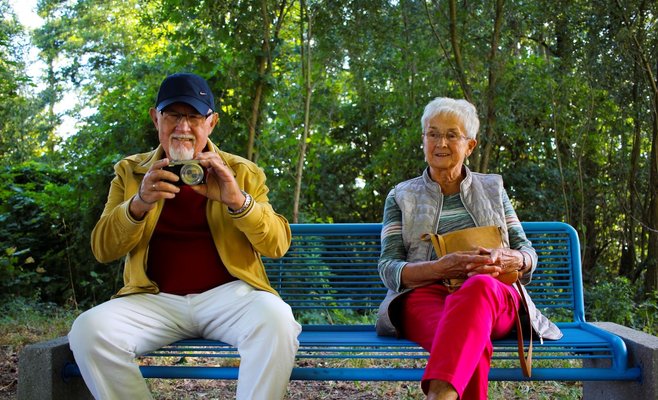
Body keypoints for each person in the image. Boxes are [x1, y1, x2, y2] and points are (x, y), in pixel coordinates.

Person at [68, 72, 301, 400]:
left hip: (230, 298)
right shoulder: (131, 172)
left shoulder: (242, 172)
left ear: (212, 123)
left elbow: (277, 245)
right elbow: (103, 248)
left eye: (193, 116)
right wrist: (138, 203)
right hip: (154, 299)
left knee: (277, 319)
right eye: (173, 115)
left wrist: (238, 201)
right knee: (89, 331)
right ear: (156, 119)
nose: (183, 127)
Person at [375, 97, 562, 400]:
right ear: (423, 139)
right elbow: (388, 267)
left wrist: (513, 257)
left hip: (492, 293)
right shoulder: (401, 196)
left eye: (452, 135)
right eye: (432, 133)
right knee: (466, 340)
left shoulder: (493, 189)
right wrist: (440, 267)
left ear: (470, 146)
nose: (441, 143)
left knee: (477, 290)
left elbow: (527, 250)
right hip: (424, 294)